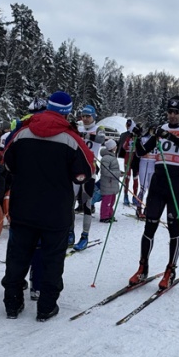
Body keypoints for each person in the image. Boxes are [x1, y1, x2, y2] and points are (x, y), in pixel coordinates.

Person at [1, 91, 94, 321]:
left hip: (23, 207)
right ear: (67, 113)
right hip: (55, 211)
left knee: (17, 256)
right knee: (53, 259)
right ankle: (46, 306)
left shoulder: (23, 132)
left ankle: (12, 303)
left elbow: (7, 162)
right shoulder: (71, 138)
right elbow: (85, 173)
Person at [129, 96, 179, 290]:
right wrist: (137, 137)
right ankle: (142, 267)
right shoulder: (161, 128)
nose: (173, 115)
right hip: (159, 180)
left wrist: (170, 136)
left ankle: (170, 270)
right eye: (170, 112)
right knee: (149, 225)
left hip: (178, 182)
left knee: (173, 227)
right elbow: (142, 151)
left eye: (176, 112)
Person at [73, 104, 105, 251]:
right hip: (75, 169)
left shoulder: (99, 128)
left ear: (94, 116)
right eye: (83, 116)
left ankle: (84, 236)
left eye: (88, 116)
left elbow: (100, 139)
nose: (85, 119)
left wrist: (83, 135)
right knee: (70, 202)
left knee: (87, 203)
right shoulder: (78, 128)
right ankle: (70, 233)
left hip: (89, 170)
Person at [98, 138, 123, 222]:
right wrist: (118, 173)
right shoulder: (106, 158)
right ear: (112, 147)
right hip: (108, 183)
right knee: (107, 201)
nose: (116, 147)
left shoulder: (112, 156)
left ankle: (109, 215)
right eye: (115, 145)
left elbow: (113, 169)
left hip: (112, 184)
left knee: (111, 201)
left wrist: (119, 173)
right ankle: (104, 216)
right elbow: (105, 171)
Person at [117, 119, 139, 208]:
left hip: (135, 159)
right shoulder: (126, 135)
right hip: (127, 158)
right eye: (127, 125)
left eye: (129, 125)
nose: (128, 127)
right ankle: (126, 195)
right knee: (127, 178)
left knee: (135, 178)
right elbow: (124, 146)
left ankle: (135, 196)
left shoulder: (138, 135)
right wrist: (129, 138)